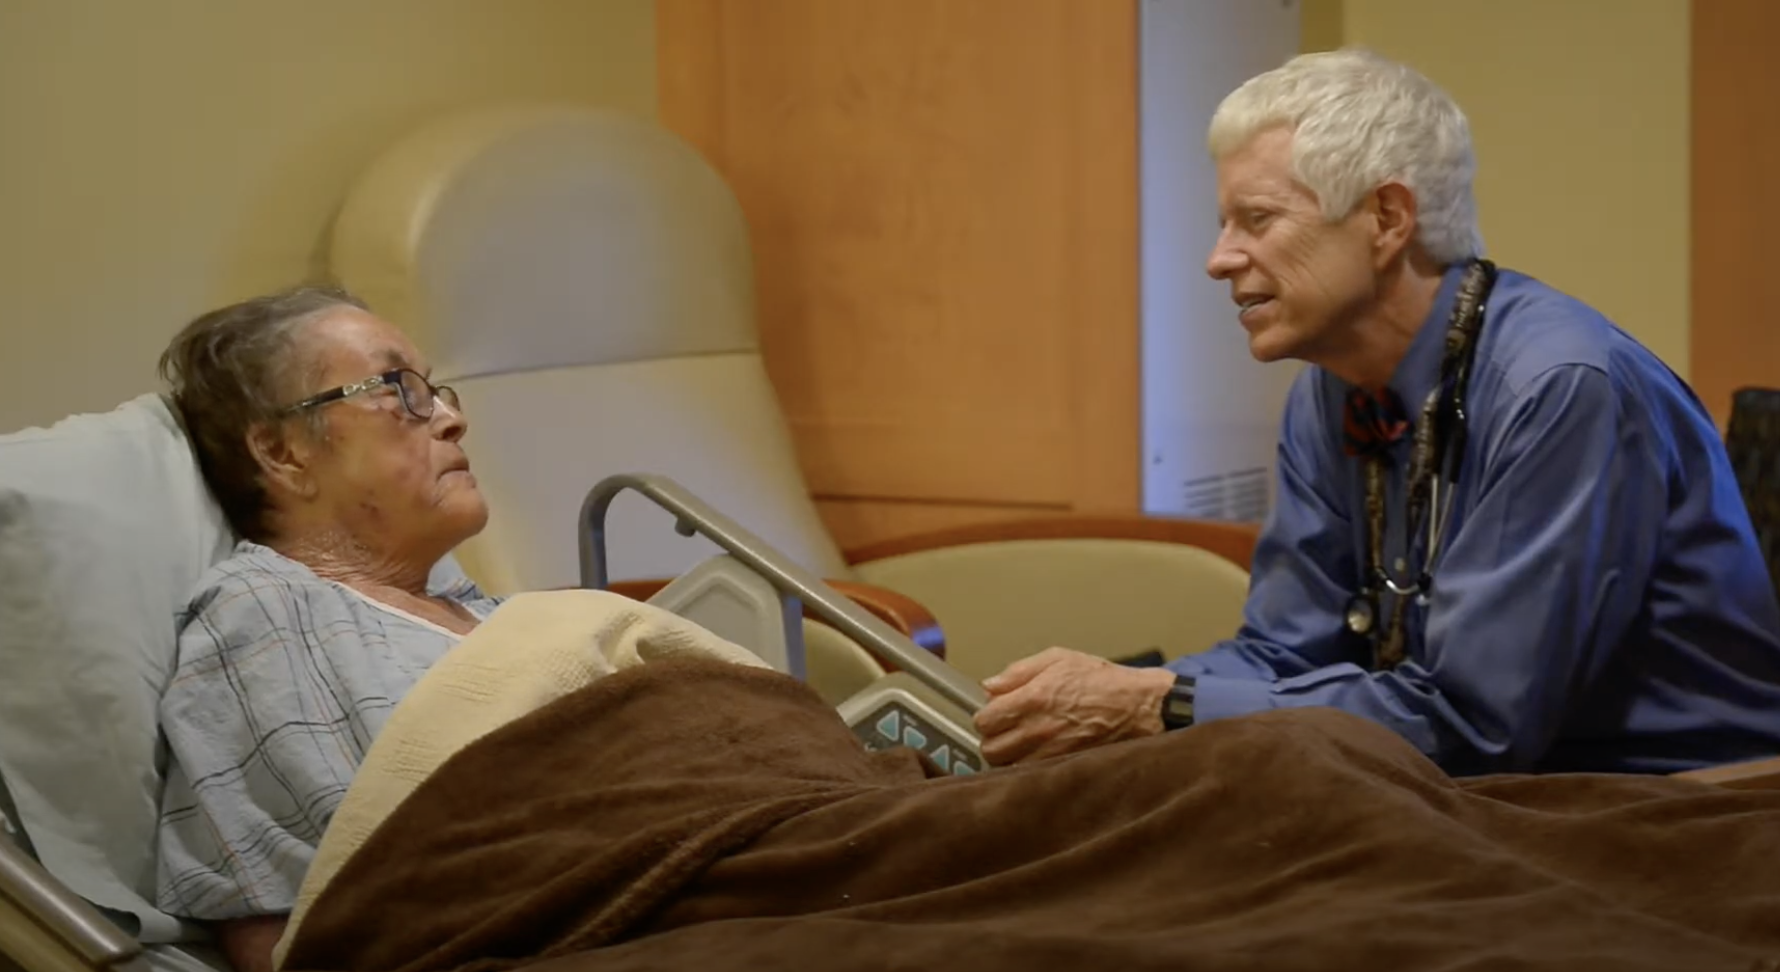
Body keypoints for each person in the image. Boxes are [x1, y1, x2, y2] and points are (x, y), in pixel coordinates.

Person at [974, 48, 1780, 777]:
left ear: (1387, 220)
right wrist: (1118, 697)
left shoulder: (1561, 385)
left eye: (1256, 219)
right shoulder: (1329, 389)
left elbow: (1474, 725)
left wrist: (1157, 706)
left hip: (1679, 799)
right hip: (1477, 782)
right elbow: (1282, 652)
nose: (1218, 259)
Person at [152, 286, 502, 972]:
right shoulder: (269, 611)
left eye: (439, 390)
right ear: (284, 455)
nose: (452, 419)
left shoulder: (490, 613)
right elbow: (308, 925)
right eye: (400, 388)